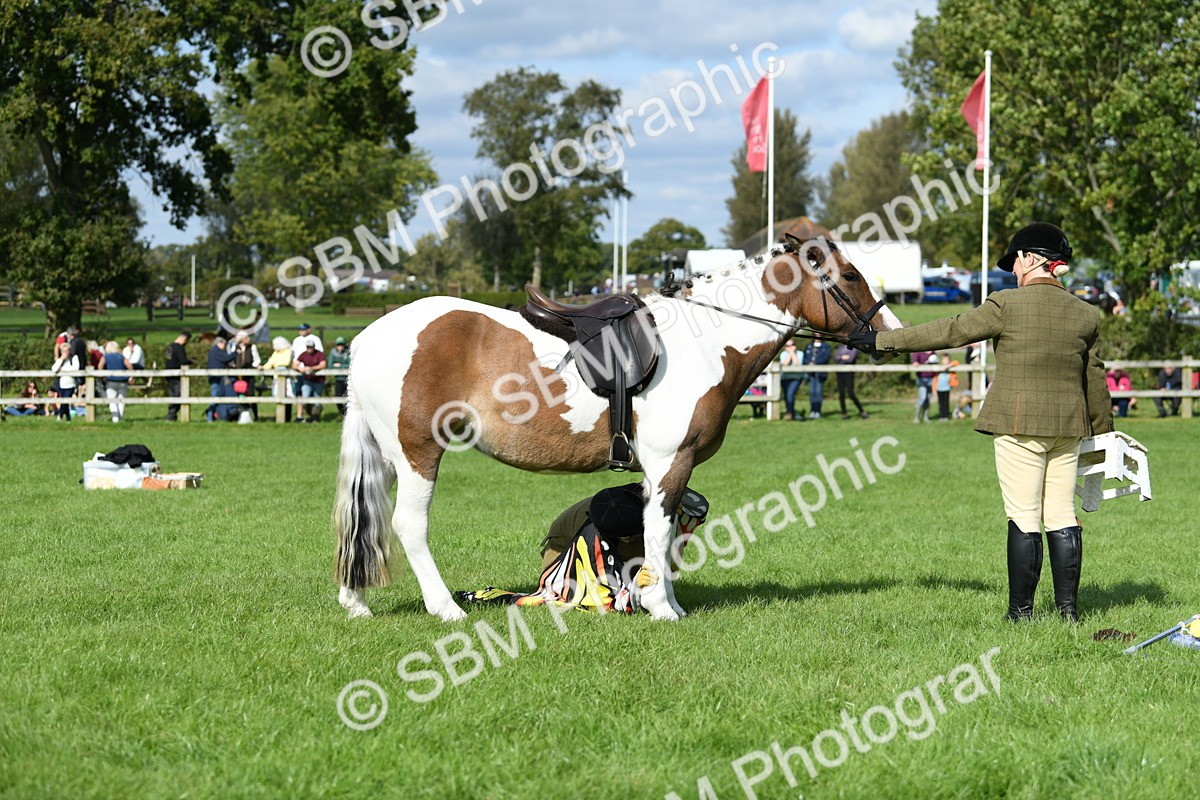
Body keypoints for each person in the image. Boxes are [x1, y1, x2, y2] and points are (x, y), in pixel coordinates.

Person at [849, 222, 1112, 623]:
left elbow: (951, 331)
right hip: (1069, 427)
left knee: (1024, 515)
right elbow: (1095, 377)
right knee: (1060, 515)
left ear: (1031, 258)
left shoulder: (1006, 304)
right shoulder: (1086, 314)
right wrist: (1104, 433)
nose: (1013, 271)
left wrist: (883, 341)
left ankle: (1021, 614)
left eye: (1016, 262)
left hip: (1019, 422)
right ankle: (1068, 613)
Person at [458, 484, 710, 614]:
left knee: (667, 546)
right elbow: (612, 598)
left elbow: (693, 506)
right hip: (564, 554)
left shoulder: (635, 497)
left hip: (618, 535)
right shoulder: (592, 538)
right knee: (595, 595)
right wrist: (634, 589)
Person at [261, 336, 297, 422]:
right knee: (279, 398)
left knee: (288, 397)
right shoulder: (275, 353)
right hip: (277, 379)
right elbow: (269, 364)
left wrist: (275, 363)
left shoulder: (288, 351)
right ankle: (281, 417)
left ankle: (287, 418)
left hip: (286, 379)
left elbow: (286, 362)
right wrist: (262, 367)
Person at [291, 323, 323, 419]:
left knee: (314, 394)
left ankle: (314, 415)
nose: (302, 331)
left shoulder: (315, 339)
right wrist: (298, 368)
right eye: (300, 329)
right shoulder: (296, 340)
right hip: (299, 371)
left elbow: (320, 354)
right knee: (301, 393)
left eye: (304, 329)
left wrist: (312, 368)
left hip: (312, 372)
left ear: (309, 329)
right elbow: (294, 356)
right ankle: (302, 415)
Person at [56, 327, 88, 421]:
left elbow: (72, 354)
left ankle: (61, 415)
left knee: (67, 397)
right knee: (68, 397)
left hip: (74, 372)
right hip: (82, 368)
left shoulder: (73, 343)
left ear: (70, 335)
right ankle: (68, 417)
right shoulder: (81, 341)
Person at [292, 340, 327, 422]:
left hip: (318, 381)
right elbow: (294, 364)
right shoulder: (303, 354)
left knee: (316, 399)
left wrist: (312, 368)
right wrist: (299, 368)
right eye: (308, 347)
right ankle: (310, 415)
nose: (309, 349)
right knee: (305, 397)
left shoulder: (319, 354)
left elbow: (323, 365)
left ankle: (315, 418)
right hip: (307, 380)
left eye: (310, 347)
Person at [230, 330, 262, 419]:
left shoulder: (252, 347)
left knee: (251, 394)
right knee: (239, 394)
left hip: (249, 374)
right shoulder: (235, 347)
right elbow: (232, 358)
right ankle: (239, 414)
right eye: (246, 337)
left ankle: (255, 416)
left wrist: (253, 366)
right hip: (238, 375)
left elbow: (257, 360)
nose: (248, 339)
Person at [833, 341, 868, 419]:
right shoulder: (841, 346)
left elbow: (850, 359)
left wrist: (840, 357)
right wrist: (843, 357)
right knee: (841, 393)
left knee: (850, 393)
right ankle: (844, 413)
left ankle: (862, 411)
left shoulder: (854, 348)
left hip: (849, 372)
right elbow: (835, 357)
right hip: (839, 371)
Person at [100, 341, 133, 422]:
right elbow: (129, 365)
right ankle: (121, 417)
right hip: (123, 381)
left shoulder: (106, 357)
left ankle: (115, 418)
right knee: (121, 400)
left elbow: (100, 365)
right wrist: (131, 376)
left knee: (112, 400)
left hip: (111, 381)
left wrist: (102, 377)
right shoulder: (121, 356)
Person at [205, 336, 236, 422]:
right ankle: (210, 417)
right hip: (216, 378)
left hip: (215, 377)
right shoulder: (217, 351)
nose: (225, 346)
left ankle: (214, 416)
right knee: (214, 397)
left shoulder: (213, 351)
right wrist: (235, 353)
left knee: (216, 396)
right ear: (220, 343)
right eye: (224, 344)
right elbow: (226, 358)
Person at [164, 331, 192, 421]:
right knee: (177, 394)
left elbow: (167, 360)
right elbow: (183, 361)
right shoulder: (180, 348)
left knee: (172, 394)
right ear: (185, 339)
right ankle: (172, 414)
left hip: (168, 374)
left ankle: (171, 414)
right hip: (176, 375)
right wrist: (191, 361)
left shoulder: (169, 347)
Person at [802, 334, 831, 419]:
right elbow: (805, 358)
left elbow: (825, 358)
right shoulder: (809, 346)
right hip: (810, 373)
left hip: (820, 373)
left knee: (818, 392)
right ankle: (812, 411)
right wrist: (809, 363)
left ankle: (818, 411)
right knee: (812, 392)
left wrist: (816, 363)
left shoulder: (826, 347)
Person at [779, 339, 804, 420]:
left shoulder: (800, 353)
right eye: (787, 346)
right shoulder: (783, 354)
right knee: (787, 396)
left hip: (796, 378)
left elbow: (797, 364)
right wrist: (790, 353)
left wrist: (792, 352)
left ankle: (789, 413)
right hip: (785, 378)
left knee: (790, 395)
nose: (790, 347)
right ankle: (791, 412)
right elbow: (785, 364)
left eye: (791, 345)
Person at [327, 336, 352, 418]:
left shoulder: (347, 352)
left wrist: (339, 365)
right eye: (338, 344)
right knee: (337, 396)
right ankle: (343, 414)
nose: (340, 346)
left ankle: (348, 415)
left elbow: (349, 365)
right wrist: (342, 366)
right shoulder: (333, 352)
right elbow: (330, 365)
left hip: (347, 379)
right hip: (338, 379)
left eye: (341, 344)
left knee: (348, 398)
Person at [912, 350, 935, 423]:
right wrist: (915, 363)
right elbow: (915, 362)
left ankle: (926, 417)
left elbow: (936, 363)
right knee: (922, 398)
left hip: (931, 378)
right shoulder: (918, 352)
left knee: (927, 399)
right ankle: (916, 417)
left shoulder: (933, 352)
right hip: (921, 378)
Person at [935, 355, 957, 422]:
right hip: (939, 389)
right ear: (941, 361)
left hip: (946, 388)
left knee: (946, 403)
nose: (945, 361)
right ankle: (942, 416)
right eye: (944, 359)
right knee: (941, 403)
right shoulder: (939, 368)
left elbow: (956, 362)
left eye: (947, 360)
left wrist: (948, 366)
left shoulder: (950, 368)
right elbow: (935, 379)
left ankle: (946, 416)